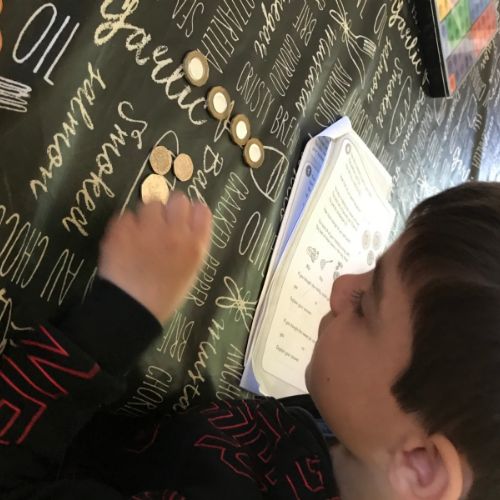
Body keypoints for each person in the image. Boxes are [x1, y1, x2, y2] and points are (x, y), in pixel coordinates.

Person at [0, 182, 499, 499]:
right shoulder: (364, 439)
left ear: (421, 467)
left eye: (366, 304)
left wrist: (123, 314)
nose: (341, 286)